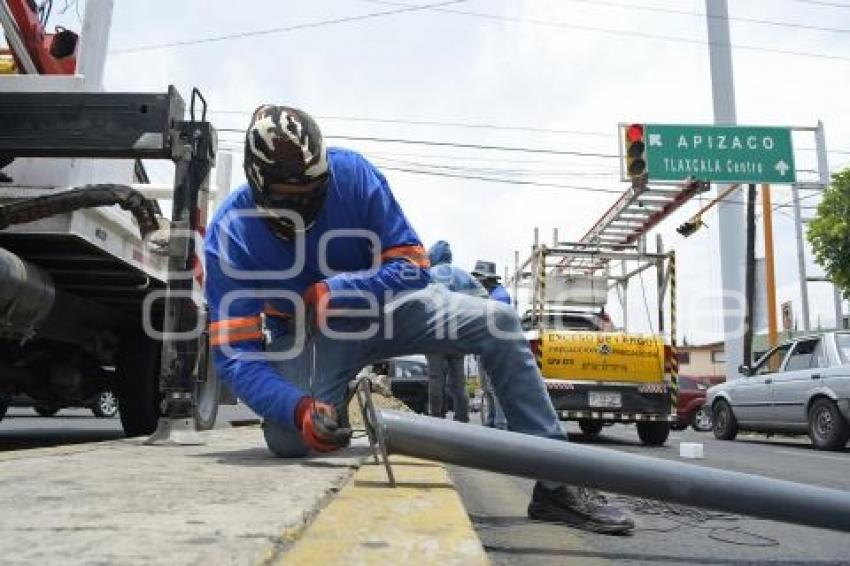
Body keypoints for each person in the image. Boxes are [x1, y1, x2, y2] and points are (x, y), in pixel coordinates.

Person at [204, 104, 635, 534]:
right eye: (290, 197)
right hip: (314, 337)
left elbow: (413, 265)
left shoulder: (351, 174)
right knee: (287, 441)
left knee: (500, 323)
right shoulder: (230, 236)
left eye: (313, 192)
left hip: (392, 308)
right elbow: (236, 356)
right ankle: (328, 400)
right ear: (259, 182)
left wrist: (336, 291)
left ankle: (558, 486)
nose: (305, 205)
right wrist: (296, 409)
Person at [425, 241, 486, 422]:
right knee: (459, 382)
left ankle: (436, 418)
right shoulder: (462, 275)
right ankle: (462, 418)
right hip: (458, 335)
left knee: (436, 379)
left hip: (433, 335)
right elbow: (483, 297)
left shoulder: (427, 275)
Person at [472, 260, 510, 430]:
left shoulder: (500, 296)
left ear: (486, 278)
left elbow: (496, 325)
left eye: (478, 277)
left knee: (495, 388)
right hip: (485, 347)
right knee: (488, 388)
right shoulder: (489, 294)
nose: (476, 281)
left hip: (495, 347)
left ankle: (500, 425)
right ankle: (491, 422)